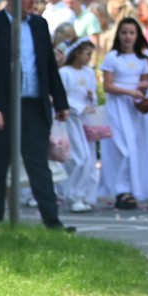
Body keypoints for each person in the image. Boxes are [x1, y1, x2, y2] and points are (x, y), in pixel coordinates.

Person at [0, 0, 73, 231]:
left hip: (33, 106)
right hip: (2, 107)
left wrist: (60, 101)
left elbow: (48, 66)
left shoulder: (39, 25)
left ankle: (52, 221)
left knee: (38, 165)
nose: (31, 1)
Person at [100, 17, 148, 209]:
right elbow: (108, 86)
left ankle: (130, 189)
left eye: (132, 33)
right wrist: (130, 91)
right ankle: (119, 189)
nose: (128, 37)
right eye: (124, 32)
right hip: (117, 107)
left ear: (137, 35)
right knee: (121, 148)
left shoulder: (142, 59)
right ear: (118, 35)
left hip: (134, 109)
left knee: (135, 148)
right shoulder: (112, 57)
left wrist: (142, 88)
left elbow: (143, 84)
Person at [57, 36, 101, 214]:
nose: (90, 58)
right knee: (78, 158)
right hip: (70, 120)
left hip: (85, 120)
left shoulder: (88, 72)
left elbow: (92, 96)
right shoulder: (65, 73)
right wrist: (79, 107)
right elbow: (62, 97)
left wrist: (92, 98)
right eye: (87, 54)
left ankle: (85, 194)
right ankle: (73, 195)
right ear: (77, 53)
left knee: (89, 159)